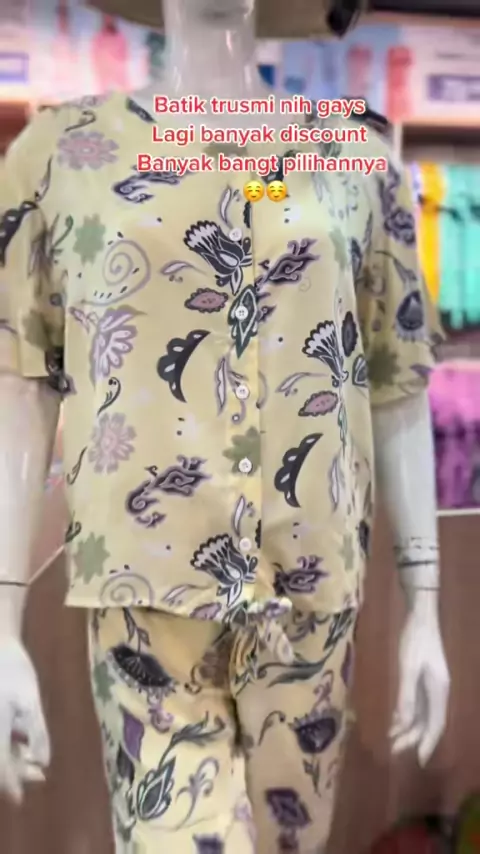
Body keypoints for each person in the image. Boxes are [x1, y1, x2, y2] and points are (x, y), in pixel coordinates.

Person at [0, 1, 450, 851]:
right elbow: (22, 381)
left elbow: (398, 379)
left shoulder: (355, 157)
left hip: (311, 602)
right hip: (146, 605)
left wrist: (424, 608)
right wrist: (1, 624)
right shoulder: (61, 154)